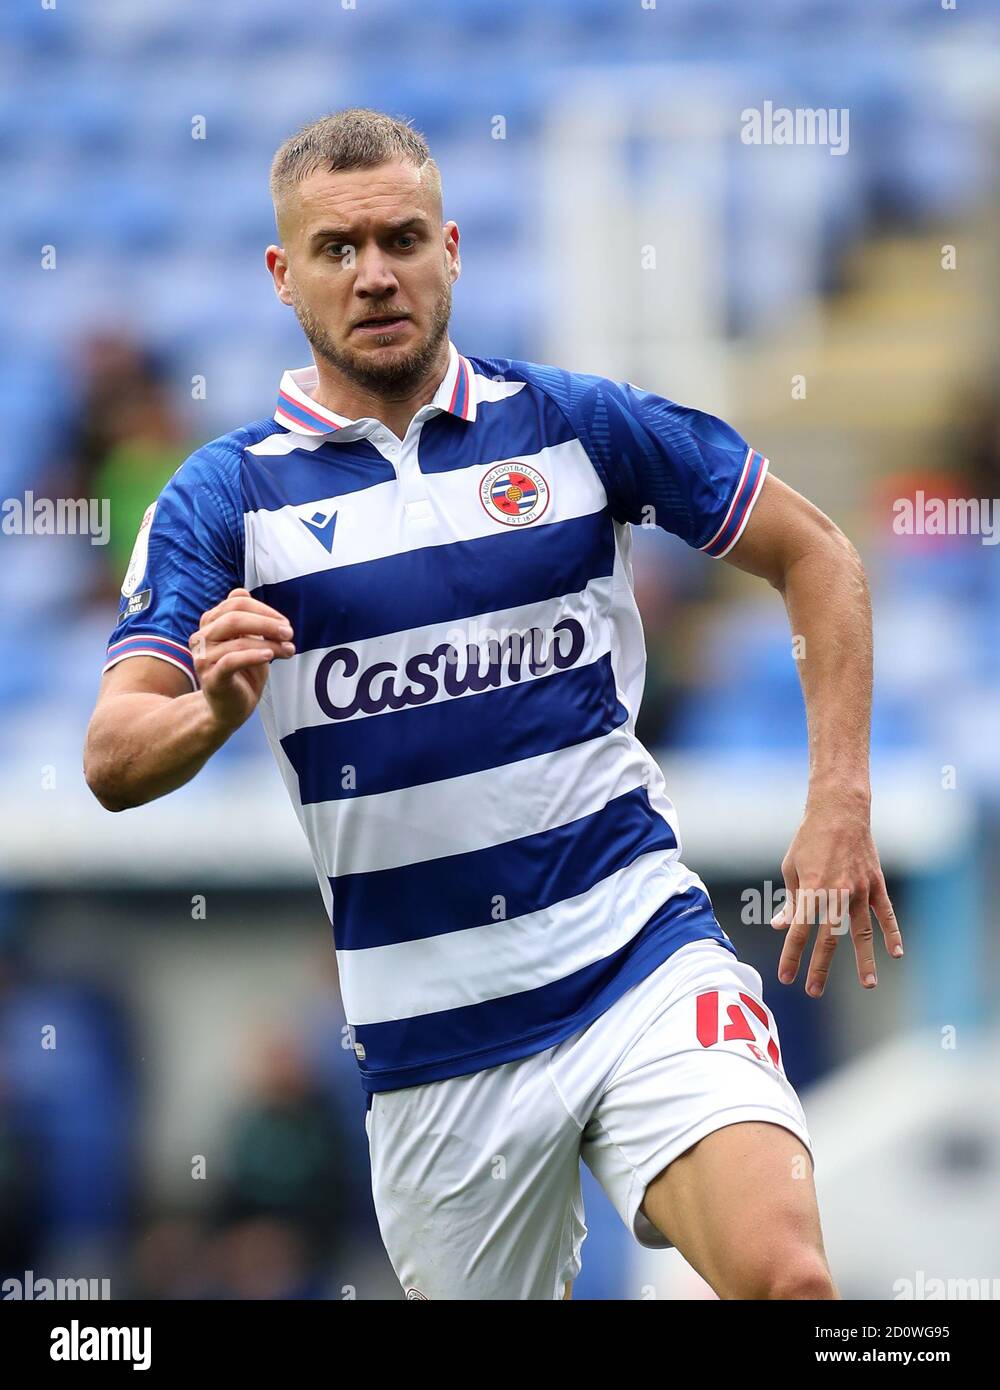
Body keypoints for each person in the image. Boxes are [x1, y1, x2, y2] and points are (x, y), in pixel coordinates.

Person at [84, 108, 903, 1301]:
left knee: (791, 1282)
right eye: (337, 249)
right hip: (435, 1051)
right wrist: (208, 713)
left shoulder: (576, 424)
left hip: (635, 958)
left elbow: (818, 554)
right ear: (283, 275)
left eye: (402, 238)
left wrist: (838, 792)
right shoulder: (225, 500)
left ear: (452, 248)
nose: (374, 275)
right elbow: (112, 754)